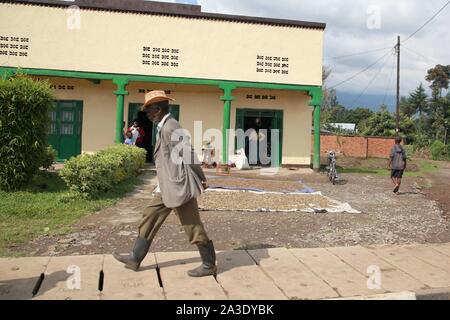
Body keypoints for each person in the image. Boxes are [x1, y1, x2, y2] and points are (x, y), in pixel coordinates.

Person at [113, 90, 217, 278]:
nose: (147, 115)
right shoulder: (164, 126)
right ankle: (134, 258)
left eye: (149, 111)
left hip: (179, 186)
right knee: (149, 216)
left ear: (158, 109)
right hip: (167, 186)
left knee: (192, 225)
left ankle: (209, 264)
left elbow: (188, 154)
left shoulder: (171, 127)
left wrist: (201, 177)